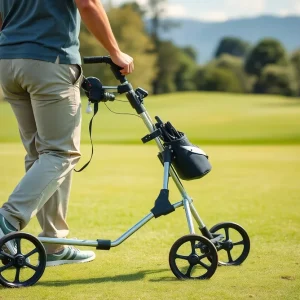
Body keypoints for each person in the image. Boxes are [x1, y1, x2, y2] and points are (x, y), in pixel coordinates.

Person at [0, 0, 134, 266]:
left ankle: (54, 244)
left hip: (8, 63)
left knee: (40, 154)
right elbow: (87, 4)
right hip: (50, 60)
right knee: (61, 153)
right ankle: (8, 220)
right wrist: (116, 51)